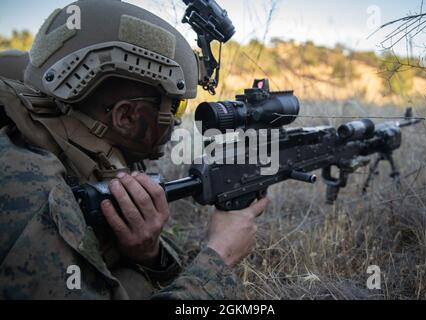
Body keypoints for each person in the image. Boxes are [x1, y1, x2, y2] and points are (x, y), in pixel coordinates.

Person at [0, 0, 269, 299]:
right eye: (176, 104)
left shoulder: (76, 145)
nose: (179, 120)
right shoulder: (32, 187)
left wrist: (147, 254)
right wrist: (219, 258)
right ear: (125, 117)